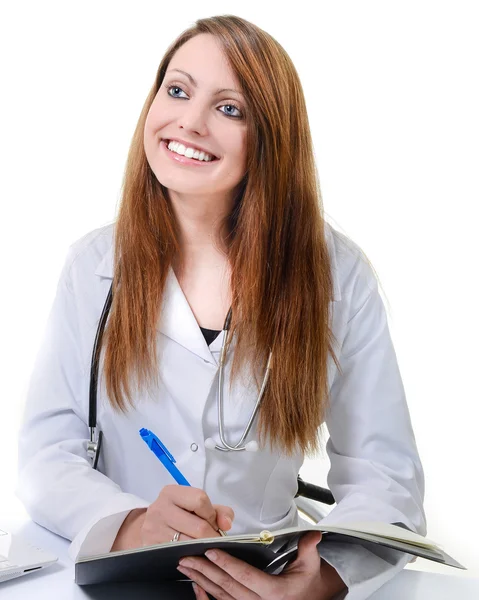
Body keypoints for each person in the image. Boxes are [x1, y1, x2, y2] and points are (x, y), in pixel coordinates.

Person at [16, 14, 426, 600]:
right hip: (119, 574)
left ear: (270, 139)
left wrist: (326, 577)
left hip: (266, 582)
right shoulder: (94, 265)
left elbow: (385, 473)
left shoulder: (337, 276)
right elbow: (46, 452)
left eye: (229, 108)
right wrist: (130, 525)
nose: (190, 121)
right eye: (178, 90)